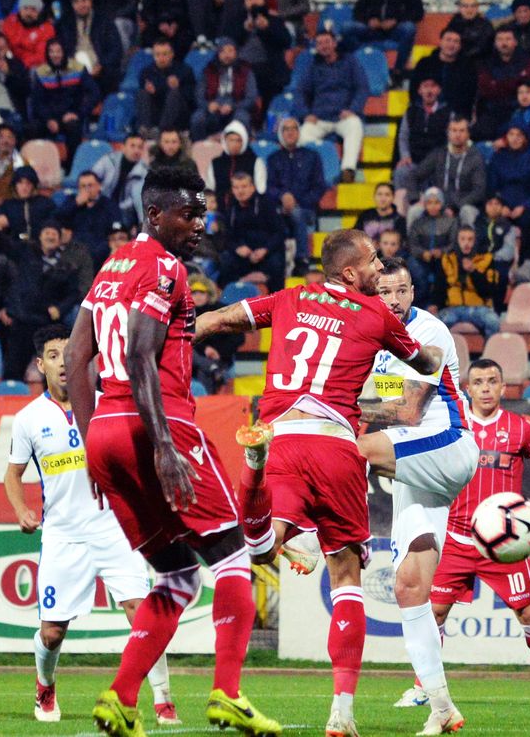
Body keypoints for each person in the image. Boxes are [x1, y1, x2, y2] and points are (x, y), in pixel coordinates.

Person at [190, 230, 452, 737]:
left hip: (282, 435)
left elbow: (218, 320)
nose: (381, 269)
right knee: (346, 575)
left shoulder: (289, 297)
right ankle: (342, 713)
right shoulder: (376, 314)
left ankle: (254, 468)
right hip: (336, 443)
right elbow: (425, 366)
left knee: (261, 549)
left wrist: (176, 336)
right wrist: (420, 361)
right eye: (375, 261)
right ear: (351, 273)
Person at [64, 166, 280, 736]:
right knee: (234, 556)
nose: (199, 225)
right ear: (155, 214)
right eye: (189, 214)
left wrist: (92, 446)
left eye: (203, 213)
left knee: (178, 574)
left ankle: (120, 696)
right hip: (157, 424)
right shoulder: (163, 267)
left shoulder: (111, 266)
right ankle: (228, 694)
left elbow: (73, 359)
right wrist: (163, 442)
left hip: (107, 431)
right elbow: (140, 355)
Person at [4, 325, 179, 726]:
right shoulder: (28, 419)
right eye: (53, 356)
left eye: (70, 354)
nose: (63, 363)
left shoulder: (109, 406)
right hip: (63, 534)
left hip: (115, 528)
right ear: (40, 364)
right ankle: (45, 687)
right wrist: (20, 510)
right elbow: (13, 475)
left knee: (142, 611)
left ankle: (163, 700)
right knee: (52, 633)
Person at [389, 356, 530, 709]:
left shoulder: (521, 428)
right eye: (478, 382)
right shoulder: (452, 423)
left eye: (492, 381)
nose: (486, 388)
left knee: (527, 612)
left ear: (503, 387)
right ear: (468, 388)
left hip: (504, 545)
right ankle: (424, 687)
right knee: (434, 613)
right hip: (455, 537)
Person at [0, 222, 89, 380]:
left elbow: (74, 293)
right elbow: (11, 282)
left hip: (47, 323)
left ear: (60, 240)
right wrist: (9, 308)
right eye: (47, 232)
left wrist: (60, 309)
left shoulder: (66, 266)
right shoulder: (25, 254)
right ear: (39, 236)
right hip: (23, 320)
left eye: (54, 234)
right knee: (14, 368)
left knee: (53, 371)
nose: (51, 236)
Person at [295, 30, 368, 184]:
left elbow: (362, 87)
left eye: (327, 42)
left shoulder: (350, 61)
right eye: (319, 43)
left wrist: (353, 110)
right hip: (319, 117)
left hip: (343, 116)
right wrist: (305, 114)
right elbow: (300, 92)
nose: (323, 46)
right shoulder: (312, 65)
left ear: (334, 43)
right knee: (301, 135)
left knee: (355, 126)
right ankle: (308, 173)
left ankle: (348, 170)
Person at [266, 117, 327, 274]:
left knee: (297, 213)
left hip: (305, 209)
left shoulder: (312, 157)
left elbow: (319, 187)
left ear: (299, 133)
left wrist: (296, 202)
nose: (290, 132)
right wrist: (283, 196)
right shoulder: (273, 159)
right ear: (281, 133)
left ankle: (301, 260)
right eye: (286, 129)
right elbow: (268, 187)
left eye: (294, 128)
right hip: (279, 208)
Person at [27, 40, 97, 165]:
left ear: (64, 52)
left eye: (58, 51)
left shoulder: (78, 69)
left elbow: (94, 93)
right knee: (32, 128)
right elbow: (37, 101)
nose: (55, 55)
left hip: (71, 115)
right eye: (51, 51)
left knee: (73, 127)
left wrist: (78, 113)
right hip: (49, 117)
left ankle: (71, 166)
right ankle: (36, 166)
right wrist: (48, 120)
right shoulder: (41, 72)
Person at [221, 0, 292, 108]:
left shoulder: (274, 19)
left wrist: (268, 28)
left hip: (269, 67)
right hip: (242, 67)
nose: (253, 1)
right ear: (244, 3)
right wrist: (244, 29)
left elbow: (286, 41)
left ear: (264, 0)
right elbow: (226, 43)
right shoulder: (236, 21)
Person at [413, 117, 487, 226]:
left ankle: (469, 242)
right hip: (437, 203)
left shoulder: (476, 157)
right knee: (414, 211)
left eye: (462, 131)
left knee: (467, 211)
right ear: (448, 134)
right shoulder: (439, 153)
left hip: (463, 204)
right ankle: (412, 243)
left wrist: (455, 207)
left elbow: (479, 191)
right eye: (454, 130)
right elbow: (415, 175)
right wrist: (416, 198)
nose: (457, 135)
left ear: (468, 134)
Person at [218, 172, 285, 292]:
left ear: (252, 187)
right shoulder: (230, 208)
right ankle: (229, 299)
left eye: (244, 186)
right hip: (243, 255)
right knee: (225, 259)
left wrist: (265, 250)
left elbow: (279, 233)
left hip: (266, 253)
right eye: (236, 187)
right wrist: (237, 248)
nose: (240, 191)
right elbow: (227, 237)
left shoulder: (267, 204)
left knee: (276, 263)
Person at [474, 27, 530, 142]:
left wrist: (497, 83)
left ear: (515, 42)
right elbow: (487, 90)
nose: (504, 43)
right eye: (500, 39)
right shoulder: (485, 63)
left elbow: (529, 87)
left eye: (508, 39)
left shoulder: (528, 62)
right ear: (495, 43)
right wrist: (516, 81)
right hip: (492, 111)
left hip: (520, 110)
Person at [437, 226, 502, 339]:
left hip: (479, 307)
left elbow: (490, 291)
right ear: (457, 241)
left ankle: (489, 355)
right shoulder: (447, 259)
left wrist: (474, 272)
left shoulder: (487, 259)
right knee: (434, 325)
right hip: (453, 308)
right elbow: (440, 286)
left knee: (493, 322)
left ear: (475, 241)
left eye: (470, 239)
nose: (466, 243)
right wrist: (435, 304)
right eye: (462, 239)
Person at [395, 78, 455, 200]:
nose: (429, 91)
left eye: (433, 86)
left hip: (438, 162)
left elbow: (452, 139)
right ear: (419, 90)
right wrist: (405, 156)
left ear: (438, 90)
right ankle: (402, 214)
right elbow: (403, 137)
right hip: (414, 161)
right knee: (401, 172)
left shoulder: (448, 113)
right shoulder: (411, 112)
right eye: (425, 87)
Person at [189, 37, 259, 140]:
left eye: (230, 51)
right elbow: (199, 95)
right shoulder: (208, 70)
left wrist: (233, 106)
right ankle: (199, 148)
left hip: (236, 106)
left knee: (242, 118)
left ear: (236, 52)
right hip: (213, 106)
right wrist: (208, 105)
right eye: (223, 51)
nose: (227, 55)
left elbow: (251, 98)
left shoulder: (246, 71)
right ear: (218, 53)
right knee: (197, 118)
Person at [56, 0, 123, 97]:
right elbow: (60, 49)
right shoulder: (64, 24)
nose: (81, 5)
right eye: (77, 2)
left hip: (99, 69)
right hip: (73, 68)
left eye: (84, 0)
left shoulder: (104, 21)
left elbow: (116, 49)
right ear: (72, 4)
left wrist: (101, 65)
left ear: (91, 1)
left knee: (110, 75)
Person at [58, 171, 122, 266]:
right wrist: (76, 204)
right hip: (75, 252)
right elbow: (57, 218)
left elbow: (116, 228)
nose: (87, 189)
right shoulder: (72, 202)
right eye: (83, 186)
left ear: (99, 186)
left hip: (101, 253)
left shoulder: (109, 205)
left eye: (90, 185)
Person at [411, 29, 476, 118]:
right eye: (448, 40)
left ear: (460, 46)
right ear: (440, 42)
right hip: (427, 114)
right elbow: (414, 90)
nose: (451, 44)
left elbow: (469, 96)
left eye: (456, 41)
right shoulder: (425, 63)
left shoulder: (467, 67)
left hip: (456, 117)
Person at [136, 39, 195, 136]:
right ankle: (145, 130)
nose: (161, 58)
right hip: (156, 112)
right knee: (142, 93)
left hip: (178, 114)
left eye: (164, 54)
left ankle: (162, 131)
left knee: (175, 93)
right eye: (157, 54)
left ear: (172, 54)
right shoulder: (146, 72)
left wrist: (178, 87)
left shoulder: (184, 70)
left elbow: (191, 97)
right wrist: (152, 91)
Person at [205, 120, 267, 210]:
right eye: (231, 140)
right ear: (225, 141)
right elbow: (209, 190)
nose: (234, 144)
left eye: (238, 140)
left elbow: (261, 190)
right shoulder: (216, 163)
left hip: (247, 211)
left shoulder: (255, 162)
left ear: (244, 141)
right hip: (219, 211)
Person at [92, 132, 148, 227]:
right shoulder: (109, 160)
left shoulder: (144, 172)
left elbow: (137, 199)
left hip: (125, 210)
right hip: (103, 202)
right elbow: (92, 177)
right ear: (123, 147)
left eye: (140, 147)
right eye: (132, 146)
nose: (136, 150)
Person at [0, 165, 57, 245]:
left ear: (33, 186)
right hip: (13, 247)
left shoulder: (45, 203)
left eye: (28, 183)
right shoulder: (7, 205)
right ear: (15, 185)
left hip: (40, 246)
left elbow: (53, 224)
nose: (24, 187)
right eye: (20, 183)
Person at [488, 126, 530, 221]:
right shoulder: (497, 157)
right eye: (511, 134)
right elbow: (492, 187)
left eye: (519, 135)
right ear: (506, 137)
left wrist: (525, 206)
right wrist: (501, 206)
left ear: (525, 138)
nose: (515, 138)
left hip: (526, 205)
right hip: (502, 205)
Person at [343, 0, 422, 53]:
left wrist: (396, 21)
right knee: (346, 28)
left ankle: (399, 71)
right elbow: (357, 11)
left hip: (395, 29)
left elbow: (418, 12)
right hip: (371, 29)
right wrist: (368, 20)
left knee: (409, 28)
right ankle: (361, 56)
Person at [0, 33, 32, 128]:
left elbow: (26, 90)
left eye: (0, 48)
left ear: (6, 48)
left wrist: (8, 73)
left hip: (12, 112)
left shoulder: (16, 65)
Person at [1, 0, 54, 68]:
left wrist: (18, 65)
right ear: (20, 9)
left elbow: (41, 56)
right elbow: (1, 43)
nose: (28, 13)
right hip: (7, 63)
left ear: (39, 12)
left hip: (31, 67)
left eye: (33, 9)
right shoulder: (10, 21)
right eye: (25, 8)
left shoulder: (47, 29)